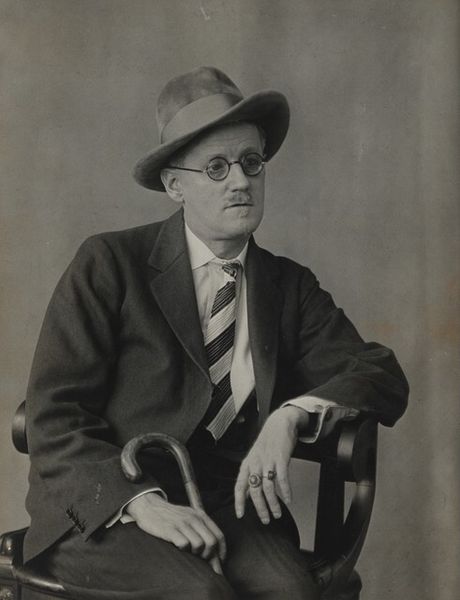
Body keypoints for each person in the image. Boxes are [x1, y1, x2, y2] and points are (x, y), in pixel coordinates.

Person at [23, 66, 409, 600]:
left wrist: (290, 417)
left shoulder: (287, 286)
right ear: (174, 185)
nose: (240, 181)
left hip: (226, 507)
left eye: (252, 163)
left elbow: (379, 372)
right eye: (216, 167)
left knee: (290, 592)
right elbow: (53, 416)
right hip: (110, 507)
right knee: (200, 594)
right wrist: (143, 504)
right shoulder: (109, 263)